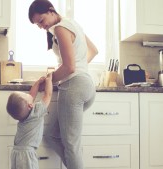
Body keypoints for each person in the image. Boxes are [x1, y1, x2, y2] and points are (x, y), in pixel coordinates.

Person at [28, 0, 98, 169]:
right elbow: (93, 51)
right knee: (52, 136)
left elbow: (69, 67)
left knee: (71, 146)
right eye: (37, 24)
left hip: (74, 87)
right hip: (86, 85)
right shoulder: (72, 23)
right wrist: (77, 66)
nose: (40, 26)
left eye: (41, 21)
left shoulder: (60, 28)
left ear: (51, 11)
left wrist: (48, 80)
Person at [6, 73, 53, 169]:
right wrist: (49, 80)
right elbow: (48, 95)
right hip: (27, 154)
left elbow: (32, 95)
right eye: (25, 95)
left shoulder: (22, 116)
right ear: (30, 105)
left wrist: (37, 82)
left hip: (16, 152)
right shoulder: (36, 112)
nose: (28, 94)